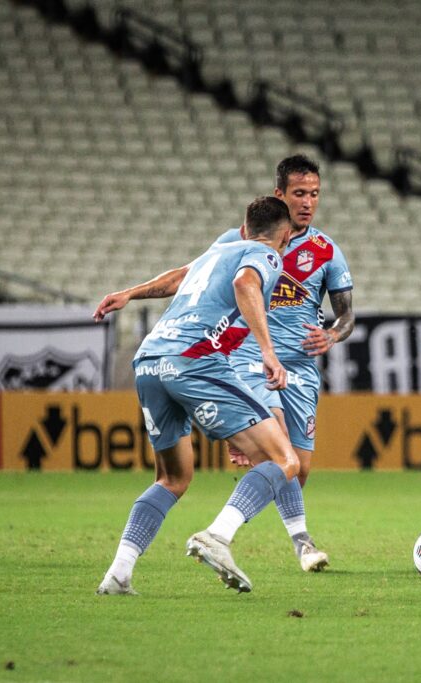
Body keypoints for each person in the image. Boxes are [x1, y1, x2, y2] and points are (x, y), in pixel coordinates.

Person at [94, 155, 353, 572]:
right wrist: (134, 292)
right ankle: (278, 540)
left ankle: (118, 574)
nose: (308, 202)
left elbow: (346, 314)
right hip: (242, 357)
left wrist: (334, 333)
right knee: (278, 451)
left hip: (291, 366)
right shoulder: (247, 245)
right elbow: (204, 276)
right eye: (299, 194)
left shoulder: (325, 250)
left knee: (294, 468)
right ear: (280, 197)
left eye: (315, 194)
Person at [96, 196, 299, 595]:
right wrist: (268, 352)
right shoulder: (267, 254)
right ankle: (218, 537)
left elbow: (176, 278)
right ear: (286, 236)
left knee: (172, 478)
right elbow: (245, 283)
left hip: (151, 360)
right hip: (194, 359)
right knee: (283, 458)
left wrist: (129, 294)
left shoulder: (219, 250)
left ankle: (118, 574)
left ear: (243, 229)